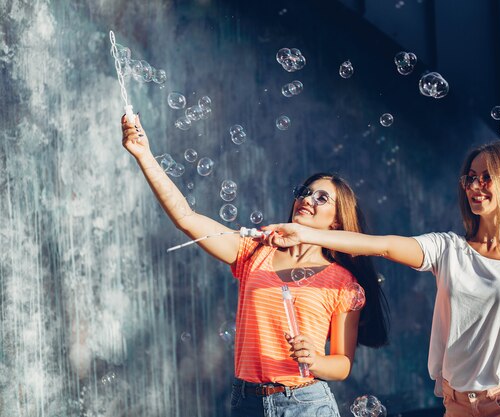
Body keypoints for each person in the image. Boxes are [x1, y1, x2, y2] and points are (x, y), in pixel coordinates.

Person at [263, 140, 500, 417]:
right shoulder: (447, 249)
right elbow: (381, 245)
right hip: (459, 406)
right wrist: (306, 233)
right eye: (470, 177)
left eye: (485, 177)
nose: (473, 186)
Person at [120, 115, 389, 417]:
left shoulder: (341, 282)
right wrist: (144, 155)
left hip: (305, 403)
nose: (307, 199)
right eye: (305, 191)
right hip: (246, 403)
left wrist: (314, 359)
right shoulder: (254, 253)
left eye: (321, 197)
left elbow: (342, 364)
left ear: (336, 220)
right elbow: (187, 218)